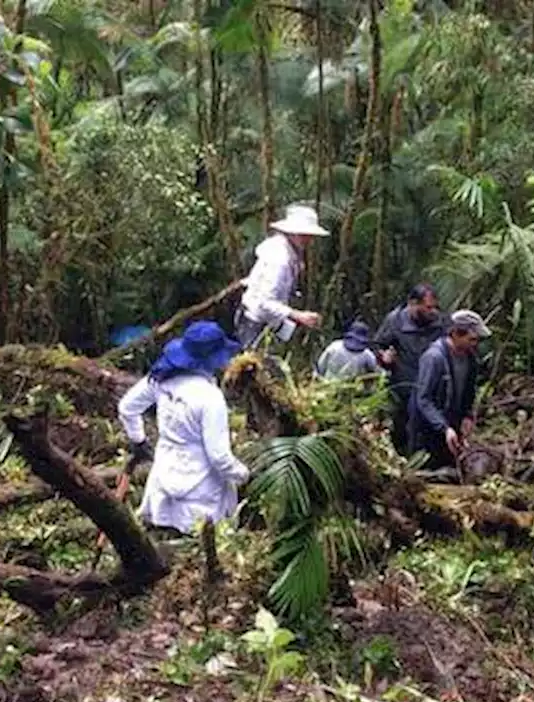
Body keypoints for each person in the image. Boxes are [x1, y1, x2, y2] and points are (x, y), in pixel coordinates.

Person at [118, 321, 249, 534]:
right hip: (201, 493)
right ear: (212, 358)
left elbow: (127, 407)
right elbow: (219, 457)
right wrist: (244, 474)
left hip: (163, 481)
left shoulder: (162, 378)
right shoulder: (209, 398)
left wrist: (139, 441)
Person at [234, 204, 329, 348]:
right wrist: (298, 315)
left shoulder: (287, 251)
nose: (308, 240)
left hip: (265, 320)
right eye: (304, 235)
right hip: (255, 322)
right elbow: (265, 302)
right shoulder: (279, 259)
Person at [408, 310, 490, 470]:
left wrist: (467, 416)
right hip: (427, 431)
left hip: (451, 428)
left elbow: (468, 391)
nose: (474, 344)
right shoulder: (434, 358)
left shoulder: (471, 359)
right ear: (455, 334)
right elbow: (423, 399)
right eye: (471, 339)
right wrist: (443, 427)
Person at [372, 284, 448, 454]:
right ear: (413, 303)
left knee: (430, 430)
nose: (432, 311)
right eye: (428, 307)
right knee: (401, 429)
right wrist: (384, 357)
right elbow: (378, 345)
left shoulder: (440, 323)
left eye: (435, 307)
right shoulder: (395, 320)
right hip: (403, 385)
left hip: (431, 387)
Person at [315, 321, 380, 381]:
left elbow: (320, 367)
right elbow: (376, 372)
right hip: (353, 389)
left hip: (326, 385)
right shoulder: (367, 354)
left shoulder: (334, 346)